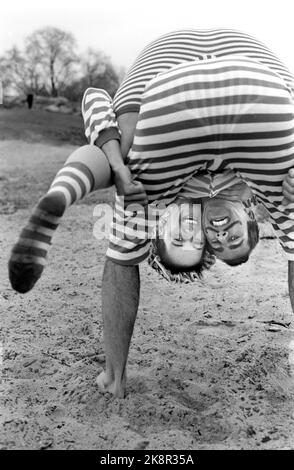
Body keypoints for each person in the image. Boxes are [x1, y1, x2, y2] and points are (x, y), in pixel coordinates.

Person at [8, 29, 294, 397]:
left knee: (122, 162)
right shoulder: (260, 185)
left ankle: (63, 193)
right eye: (233, 238)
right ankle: (68, 187)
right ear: (252, 216)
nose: (218, 232)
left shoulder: (173, 189)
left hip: (171, 85)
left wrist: (115, 158)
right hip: (257, 84)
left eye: (183, 235)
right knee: (124, 174)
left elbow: (95, 97)